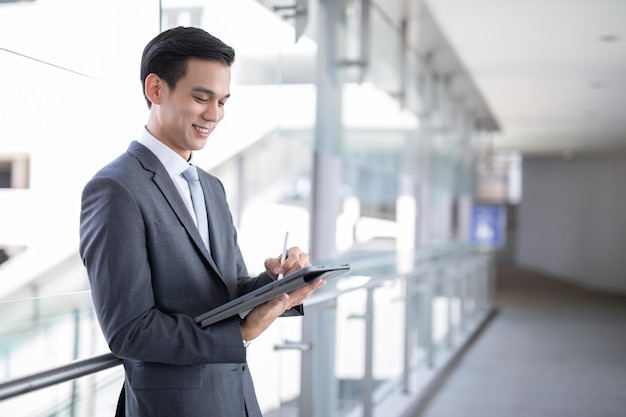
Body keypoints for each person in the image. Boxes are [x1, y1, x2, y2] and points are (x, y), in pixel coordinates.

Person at [79, 26, 325, 417]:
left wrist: (277, 284)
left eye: (223, 101)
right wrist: (240, 333)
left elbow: (226, 291)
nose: (214, 115)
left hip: (237, 400)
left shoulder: (211, 187)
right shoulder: (115, 189)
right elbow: (129, 332)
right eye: (201, 98)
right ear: (155, 89)